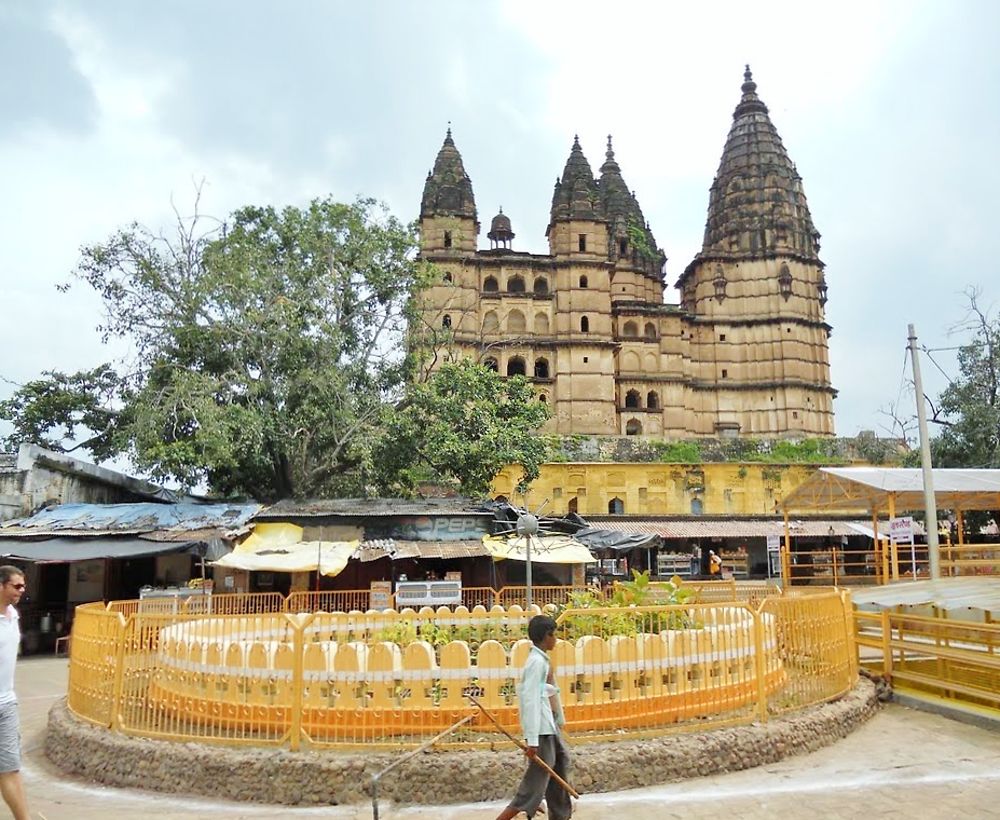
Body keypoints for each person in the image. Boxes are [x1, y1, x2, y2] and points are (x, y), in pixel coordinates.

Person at [497, 615, 572, 820]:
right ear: (546, 636)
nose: (555, 639)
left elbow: (547, 693)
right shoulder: (536, 663)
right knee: (536, 780)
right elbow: (530, 700)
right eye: (553, 635)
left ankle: (560, 815)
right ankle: (507, 815)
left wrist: (559, 720)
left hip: (549, 727)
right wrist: (532, 740)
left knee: (559, 768)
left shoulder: (542, 661)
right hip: (541, 731)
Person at [0, 565, 29, 820]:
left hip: (7, 705)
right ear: (1, 586)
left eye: (23, 586)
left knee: (10, 769)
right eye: (16, 586)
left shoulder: (14, 616)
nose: (22, 591)